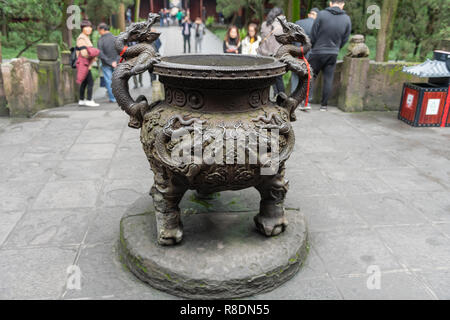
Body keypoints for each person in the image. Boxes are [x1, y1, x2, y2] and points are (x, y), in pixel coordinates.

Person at [309, 0, 351, 111]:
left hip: (317, 50)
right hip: (333, 52)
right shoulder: (346, 19)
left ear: (330, 3)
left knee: (311, 76)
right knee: (328, 79)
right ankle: (324, 105)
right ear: (343, 4)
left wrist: (313, 46)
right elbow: (345, 38)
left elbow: (313, 33)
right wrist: (337, 48)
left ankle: (306, 102)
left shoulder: (321, 14)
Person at [290, 7, 319, 110]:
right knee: (309, 77)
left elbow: (292, 37)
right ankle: (307, 101)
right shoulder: (317, 24)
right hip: (310, 55)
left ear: (309, 14)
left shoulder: (298, 22)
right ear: (316, 16)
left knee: (295, 75)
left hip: (297, 52)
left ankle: (293, 99)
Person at [257, 7, 286, 95]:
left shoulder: (264, 24)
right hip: (278, 54)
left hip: (266, 55)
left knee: (270, 77)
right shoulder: (282, 26)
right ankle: (281, 97)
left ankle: (273, 96)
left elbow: (263, 40)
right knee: (278, 77)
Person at [76, 20, 100, 107]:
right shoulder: (81, 38)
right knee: (90, 82)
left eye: (90, 27)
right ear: (82, 28)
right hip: (84, 64)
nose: (89, 29)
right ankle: (89, 100)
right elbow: (84, 53)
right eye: (87, 27)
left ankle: (81, 99)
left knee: (84, 82)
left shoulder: (85, 37)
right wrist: (94, 53)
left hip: (85, 63)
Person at [97, 23, 119, 103]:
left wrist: (110, 62)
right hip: (116, 63)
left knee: (108, 81)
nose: (98, 32)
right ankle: (119, 97)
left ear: (102, 30)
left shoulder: (101, 40)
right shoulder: (115, 38)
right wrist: (116, 61)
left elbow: (100, 53)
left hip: (106, 64)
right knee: (117, 80)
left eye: (98, 30)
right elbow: (120, 51)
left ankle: (112, 98)